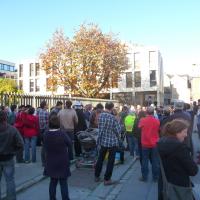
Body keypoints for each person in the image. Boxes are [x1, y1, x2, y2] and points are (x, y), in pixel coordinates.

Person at [157, 119, 198, 200]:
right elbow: (193, 170)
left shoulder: (161, 142)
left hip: (165, 185)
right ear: (177, 132)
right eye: (185, 132)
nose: (186, 135)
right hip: (179, 187)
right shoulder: (179, 147)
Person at [43, 115, 72, 200]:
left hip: (51, 160)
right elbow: (69, 143)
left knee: (53, 182)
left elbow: (44, 145)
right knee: (63, 183)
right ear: (59, 124)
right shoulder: (62, 133)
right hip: (62, 160)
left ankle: (52, 198)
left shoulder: (46, 134)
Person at [94, 102, 121, 185]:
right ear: (112, 108)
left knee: (100, 159)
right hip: (112, 142)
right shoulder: (112, 118)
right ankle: (107, 179)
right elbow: (118, 130)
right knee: (110, 161)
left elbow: (99, 126)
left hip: (103, 141)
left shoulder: (100, 116)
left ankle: (97, 176)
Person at [0, 110, 24, 200]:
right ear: (6, 117)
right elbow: (20, 144)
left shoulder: (12, 129)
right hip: (8, 157)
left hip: (7, 157)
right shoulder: (12, 129)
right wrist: (14, 152)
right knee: (10, 180)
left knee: (9, 180)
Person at [138, 106, 160, 182]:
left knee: (145, 161)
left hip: (145, 143)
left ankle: (144, 177)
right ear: (153, 112)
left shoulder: (142, 120)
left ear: (146, 112)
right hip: (154, 143)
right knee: (155, 161)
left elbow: (139, 127)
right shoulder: (157, 121)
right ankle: (156, 177)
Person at [37, 101, 49, 166]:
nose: (47, 106)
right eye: (47, 105)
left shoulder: (38, 112)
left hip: (40, 130)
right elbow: (48, 122)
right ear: (44, 106)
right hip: (45, 130)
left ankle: (43, 162)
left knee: (43, 146)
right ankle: (46, 161)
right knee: (46, 146)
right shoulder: (46, 113)